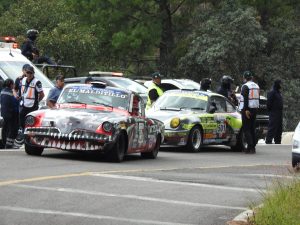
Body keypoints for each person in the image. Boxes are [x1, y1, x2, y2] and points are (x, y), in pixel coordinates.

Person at [238, 71, 260, 154]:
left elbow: (245, 98)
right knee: (252, 128)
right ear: (251, 77)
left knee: (246, 128)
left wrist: (246, 109)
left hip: (247, 109)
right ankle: (253, 147)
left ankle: (249, 147)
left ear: (244, 78)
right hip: (255, 109)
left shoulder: (245, 86)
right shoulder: (256, 86)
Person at [19, 65, 45, 130]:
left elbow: (42, 94)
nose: (29, 74)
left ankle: (30, 135)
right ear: (25, 73)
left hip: (33, 106)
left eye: (31, 73)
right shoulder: (23, 80)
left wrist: (37, 101)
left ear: (33, 73)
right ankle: (24, 133)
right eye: (28, 72)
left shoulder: (37, 82)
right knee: (21, 120)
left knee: (32, 122)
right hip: (24, 104)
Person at [0, 79, 19, 149]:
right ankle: (9, 144)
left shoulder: (2, 91)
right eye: (13, 84)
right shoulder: (11, 93)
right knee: (13, 129)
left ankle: (5, 143)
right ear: (11, 84)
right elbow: (16, 103)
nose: (14, 85)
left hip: (4, 113)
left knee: (5, 128)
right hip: (12, 113)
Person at [265, 79, 283, 144]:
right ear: (277, 84)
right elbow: (268, 103)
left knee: (279, 127)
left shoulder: (278, 92)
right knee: (272, 126)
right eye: (280, 84)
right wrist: (271, 111)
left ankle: (278, 140)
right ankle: (268, 140)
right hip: (274, 112)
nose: (281, 85)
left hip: (279, 112)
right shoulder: (272, 92)